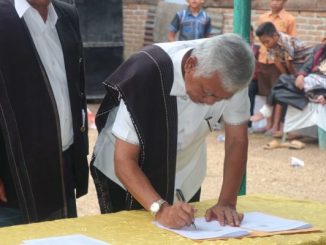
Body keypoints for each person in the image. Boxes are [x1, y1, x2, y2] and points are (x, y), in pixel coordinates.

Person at [90, 33, 255, 229]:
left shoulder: (231, 73)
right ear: (190, 64)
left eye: (221, 98)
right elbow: (124, 161)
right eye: (207, 92)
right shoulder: (147, 74)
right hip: (124, 177)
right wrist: (160, 209)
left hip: (185, 177)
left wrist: (227, 202)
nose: (211, 102)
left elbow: (237, 140)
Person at [0, 0, 89, 227]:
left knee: (61, 237)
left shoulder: (68, 15)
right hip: (13, 171)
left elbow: (76, 84)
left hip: (63, 165)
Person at [251, 22, 311, 137]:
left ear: (274, 35)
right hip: (295, 70)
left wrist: (290, 78)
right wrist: (286, 79)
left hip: (305, 69)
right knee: (282, 85)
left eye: (267, 41)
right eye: (263, 43)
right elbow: (277, 63)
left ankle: (268, 110)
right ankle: (279, 123)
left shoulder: (286, 41)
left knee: (284, 83)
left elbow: (289, 63)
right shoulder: (271, 45)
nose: (266, 45)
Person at [256, 0, 297, 132]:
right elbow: (261, 39)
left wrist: (287, 71)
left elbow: (291, 44)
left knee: (278, 93)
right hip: (263, 59)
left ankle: (276, 125)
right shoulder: (263, 17)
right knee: (266, 92)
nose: (274, 2)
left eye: (278, 0)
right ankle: (268, 124)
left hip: (279, 62)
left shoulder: (289, 19)